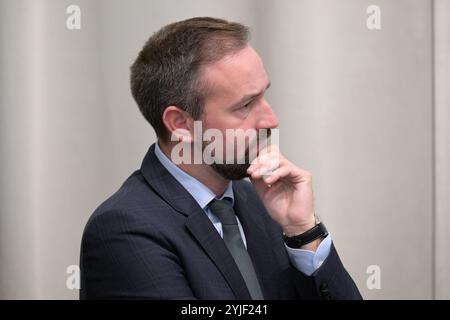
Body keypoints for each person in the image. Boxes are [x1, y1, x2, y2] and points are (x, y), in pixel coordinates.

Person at [80, 17, 362, 300]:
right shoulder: (124, 231)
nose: (271, 121)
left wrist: (302, 230)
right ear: (180, 123)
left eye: (264, 95)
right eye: (245, 105)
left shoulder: (263, 204)